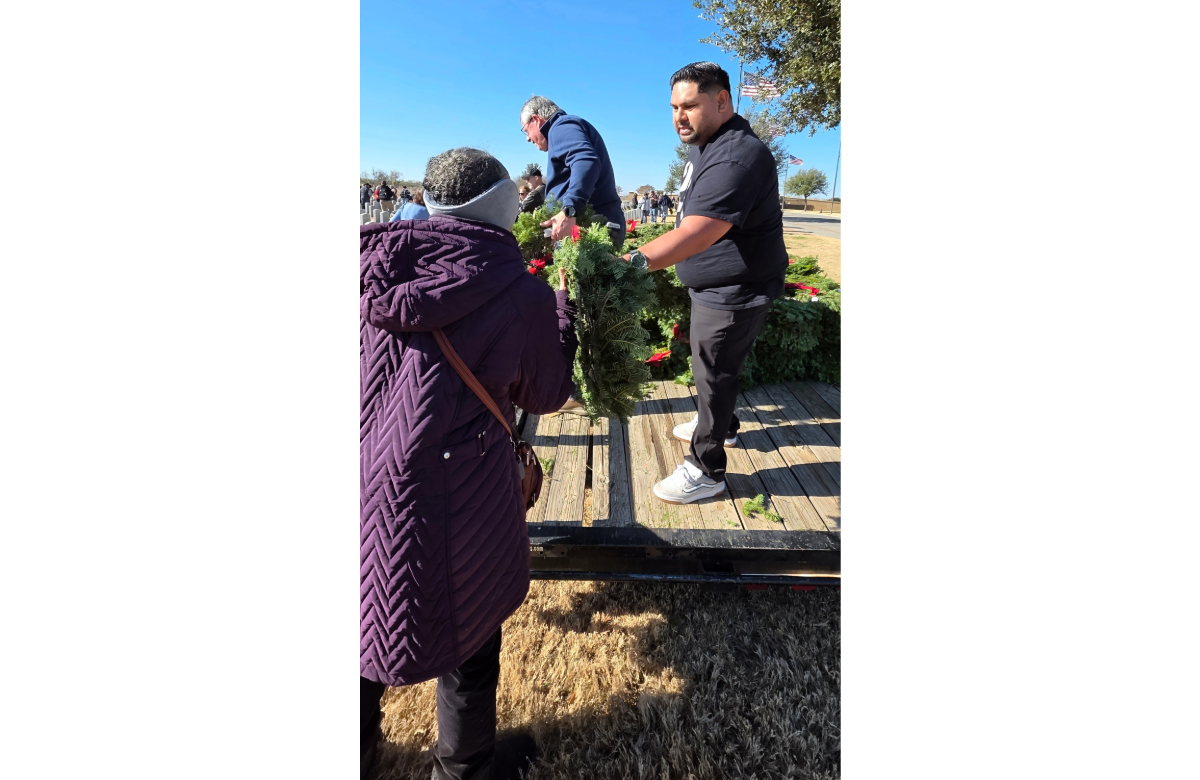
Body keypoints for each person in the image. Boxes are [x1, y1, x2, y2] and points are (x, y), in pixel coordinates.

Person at [361, 147, 575, 780]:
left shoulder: (372, 263)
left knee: (368, 609)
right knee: (471, 629)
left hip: (367, 472)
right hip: (456, 488)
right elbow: (546, 394)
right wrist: (561, 313)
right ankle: (463, 769)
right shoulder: (519, 291)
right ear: (503, 205)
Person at [620, 62, 787, 505]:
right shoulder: (706, 145)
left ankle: (705, 468)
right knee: (708, 365)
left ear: (722, 101)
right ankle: (722, 428)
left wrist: (628, 264)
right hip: (714, 286)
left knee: (714, 372)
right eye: (674, 107)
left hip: (737, 289)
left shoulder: (737, 155)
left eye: (690, 105)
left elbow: (698, 231)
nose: (679, 116)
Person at [518, 96, 624, 249]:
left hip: (591, 226)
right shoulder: (562, 128)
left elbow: (585, 160)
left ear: (536, 119)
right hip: (588, 225)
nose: (528, 138)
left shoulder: (560, 127)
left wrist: (569, 211)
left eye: (526, 130)